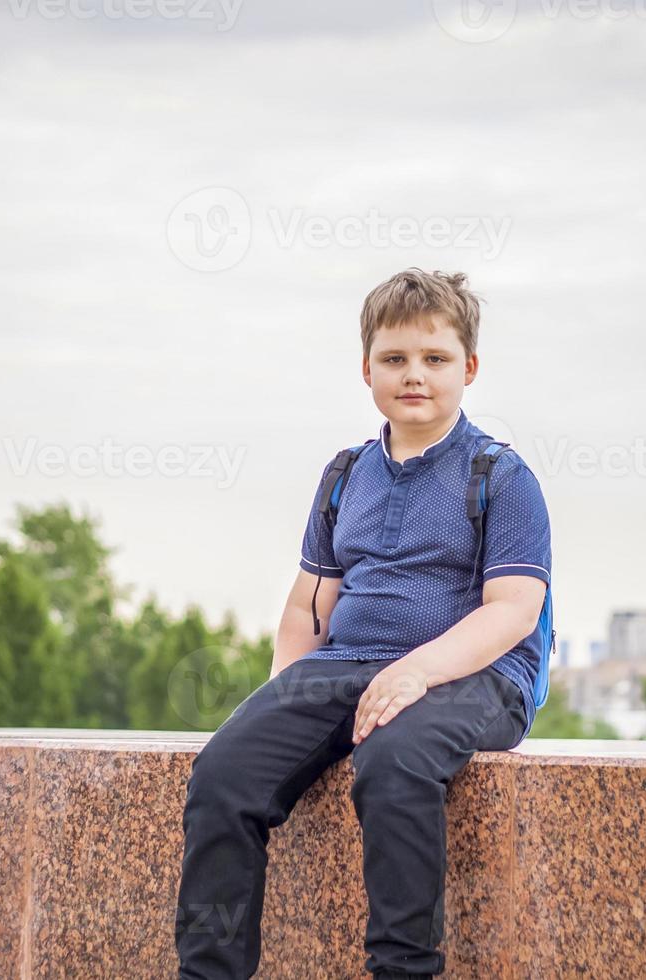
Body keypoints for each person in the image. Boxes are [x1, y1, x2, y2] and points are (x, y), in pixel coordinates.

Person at [175, 268, 552, 978]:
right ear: (367, 368)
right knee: (223, 774)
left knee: (393, 760)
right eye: (395, 359)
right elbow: (306, 604)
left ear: (468, 368)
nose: (415, 376)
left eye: (435, 359)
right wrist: (281, 704)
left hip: (478, 678)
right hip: (346, 665)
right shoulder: (346, 473)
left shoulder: (501, 475)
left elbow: (513, 613)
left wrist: (415, 672)